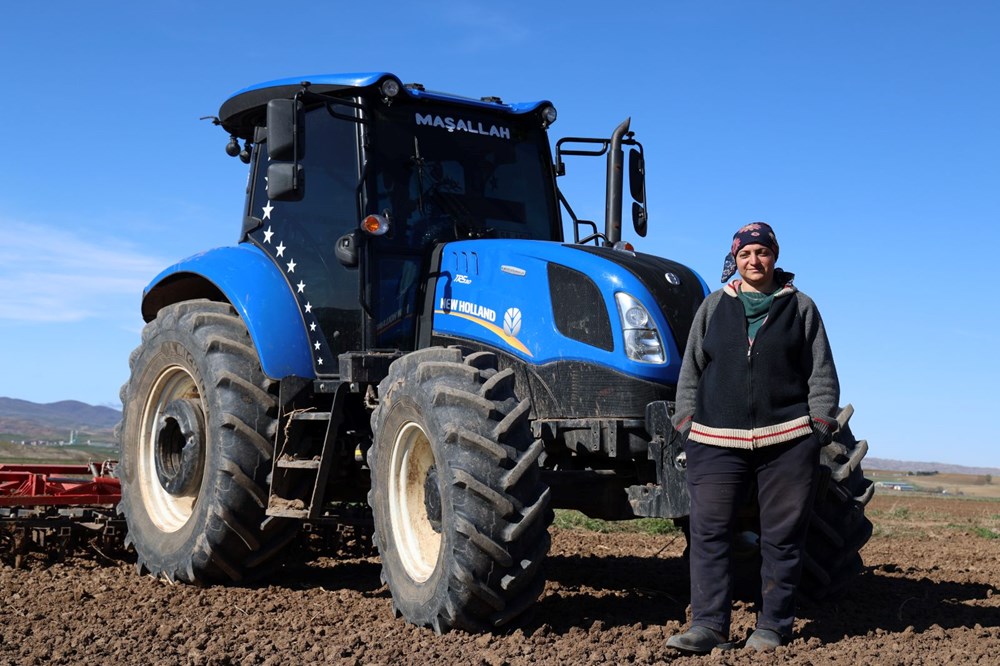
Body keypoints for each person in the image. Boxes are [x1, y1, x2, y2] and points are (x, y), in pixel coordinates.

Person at [665, 222, 840, 654]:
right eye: (746, 255)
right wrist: (687, 422)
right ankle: (708, 625)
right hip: (715, 439)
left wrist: (817, 426)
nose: (754, 261)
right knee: (709, 533)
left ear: (774, 257)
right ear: (735, 259)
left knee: (782, 537)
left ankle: (771, 628)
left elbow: (822, 373)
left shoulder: (800, 307)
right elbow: (691, 369)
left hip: (787, 439)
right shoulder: (712, 307)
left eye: (762, 253)